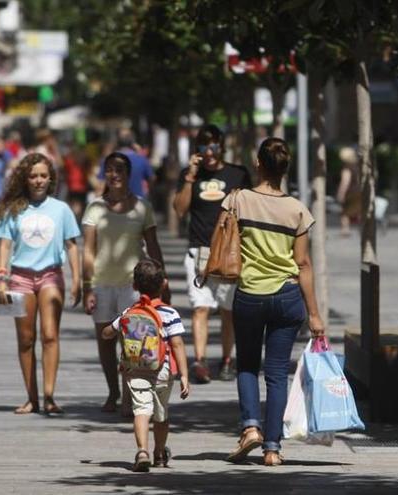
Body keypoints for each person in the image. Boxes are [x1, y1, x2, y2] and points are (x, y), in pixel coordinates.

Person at [224, 137, 325, 467]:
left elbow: (224, 239)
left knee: (248, 366)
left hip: (250, 294)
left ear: (258, 163)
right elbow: (304, 264)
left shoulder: (238, 200)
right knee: (277, 373)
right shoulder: (298, 210)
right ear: (285, 168)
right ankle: (272, 449)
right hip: (287, 296)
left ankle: (250, 427)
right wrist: (315, 315)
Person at [0, 153, 81, 415]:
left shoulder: (61, 209)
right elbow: (4, 245)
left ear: (51, 178)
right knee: (26, 338)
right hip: (19, 278)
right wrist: (0, 279)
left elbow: (72, 245)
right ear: (25, 178)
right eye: (33, 176)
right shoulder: (14, 209)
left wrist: (78, 279)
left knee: (50, 335)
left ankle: (50, 396)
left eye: (43, 175)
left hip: (51, 275)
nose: (38, 180)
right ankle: (32, 397)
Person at [82, 152, 165, 414]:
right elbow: (88, 250)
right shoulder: (95, 207)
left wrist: (161, 280)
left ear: (129, 174)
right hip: (102, 284)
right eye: (109, 169)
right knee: (105, 342)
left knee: (133, 344)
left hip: (134, 286)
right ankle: (113, 391)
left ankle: (130, 396)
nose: (114, 174)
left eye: (119, 169)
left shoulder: (142, 207)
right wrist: (87, 287)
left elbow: (152, 245)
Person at [172, 124, 251, 384]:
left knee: (229, 310)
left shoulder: (237, 174)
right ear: (197, 150)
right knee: (200, 308)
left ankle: (227, 360)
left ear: (222, 146)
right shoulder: (190, 175)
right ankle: (201, 361)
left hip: (228, 251)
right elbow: (180, 209)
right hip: (199, 250)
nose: (209, 152)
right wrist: (190, 177)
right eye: (204, 146)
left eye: (214, 145)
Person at [101, 259, 189, 472]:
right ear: (164, 284)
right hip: (162, 369)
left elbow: (106, 333)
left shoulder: (130, 312)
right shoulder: (169, 314)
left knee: (141, 410)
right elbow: (177, 345)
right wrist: (184, 375)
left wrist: (116, 329)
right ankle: (159, 452)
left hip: (135, 369)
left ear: (134, 286)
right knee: (161, 414)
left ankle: (142, 451)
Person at [97, 131, 155, 199]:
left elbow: (101, 186)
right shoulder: (142, 160)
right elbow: (152, 179)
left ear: (117, 143)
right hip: (137, 203)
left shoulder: (107, 160)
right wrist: (148, 192)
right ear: (132, 143)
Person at [335, 146, 361, 237]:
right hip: (359, 191)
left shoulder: (347, 168)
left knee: (345, 212)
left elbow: (345, 182)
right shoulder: (357, 167)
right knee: (358, 210)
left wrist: (340, 194)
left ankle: (345, 229)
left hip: (350, 193)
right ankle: (362, 227)